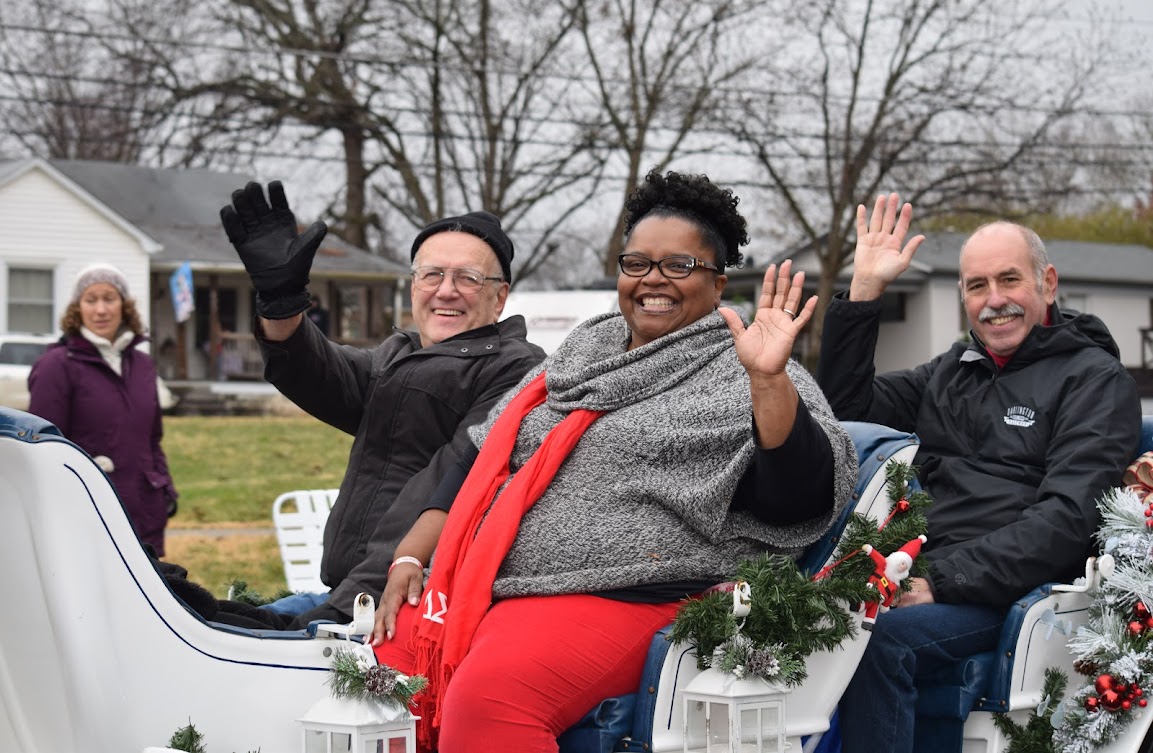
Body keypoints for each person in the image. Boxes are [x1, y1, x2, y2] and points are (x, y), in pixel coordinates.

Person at [368, 168, 859, 752]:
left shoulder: (749, 370)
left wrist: (768, 382)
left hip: (638, 595)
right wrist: (410, 557)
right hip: (495, 583)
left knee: (491, 702)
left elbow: (794, 500)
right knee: (382, 682)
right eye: (637, 263)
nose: (653, 279)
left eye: (679, 265)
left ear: (718, 283)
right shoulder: (576, 357)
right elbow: (477, 462)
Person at [817, 193, 1142, 753]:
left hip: (1016, 595)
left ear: (1048, 284)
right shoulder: (953, 370)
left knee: (879, 642)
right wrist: (864, 291)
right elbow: (845, 413)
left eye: (1009, 280)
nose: (995, 300)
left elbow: (1067, 519)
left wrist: (940, 581)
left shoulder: (1095, 380)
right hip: (920, 569)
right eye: (976, 286)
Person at [220, 181, 546, 628]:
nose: (445, 291)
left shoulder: (514, 370)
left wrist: (346, 607)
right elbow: (317, 373)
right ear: (413, 286)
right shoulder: (399, 355)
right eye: (432, 274)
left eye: (468, 278)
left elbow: (448, 484)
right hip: (347, 593)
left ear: (500, 297)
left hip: (408, 606)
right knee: (200, 619)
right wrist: (281, 305)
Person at [28, 263, 179, 555]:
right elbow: (42, 449)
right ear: (78, 308)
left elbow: (152, 439)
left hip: (143, 515)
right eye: (91, 299)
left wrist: (165, 490)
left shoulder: (142, 365)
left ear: (124, 306)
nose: (100, 310)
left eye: (109, 298)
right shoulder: (56, 366)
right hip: (86, 514)